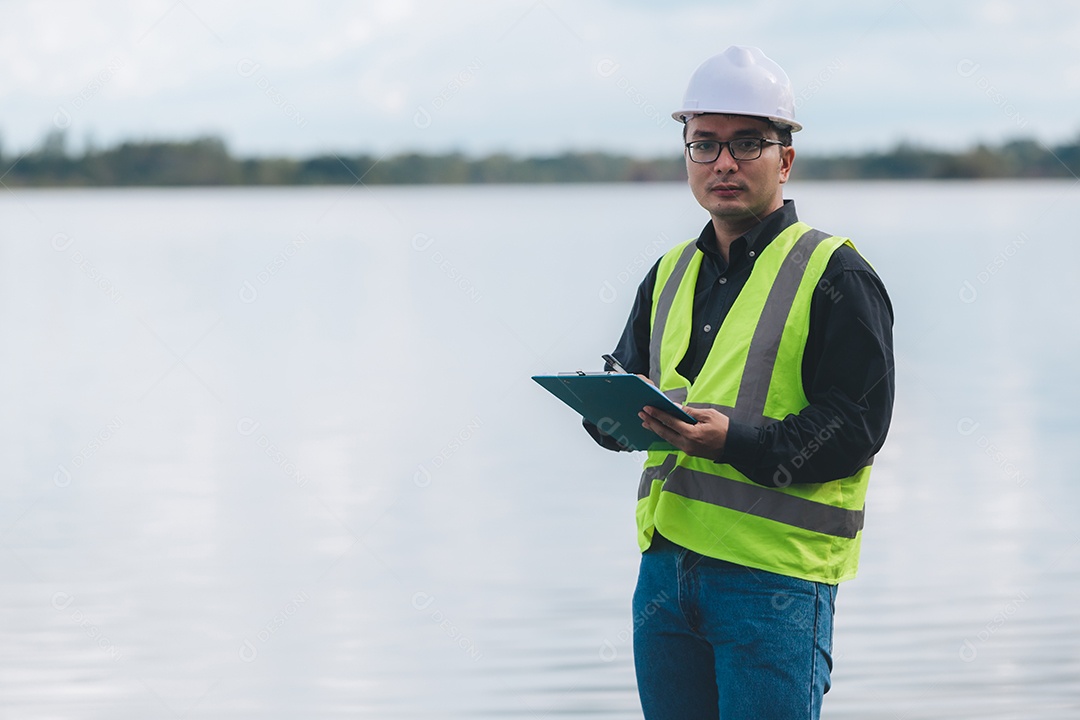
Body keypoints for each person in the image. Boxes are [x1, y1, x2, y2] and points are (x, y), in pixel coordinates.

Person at [584, 46, 895, 720]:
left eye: (746, 143)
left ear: (784, 158)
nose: (723, 163)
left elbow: (857, 427)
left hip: (775, 581)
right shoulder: (668, 272)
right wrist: (604, 415)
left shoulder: (836, 275)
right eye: (705, 144)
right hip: (665, 574)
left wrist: (734, 441)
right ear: (687, 156)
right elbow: (632, 385)